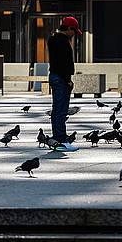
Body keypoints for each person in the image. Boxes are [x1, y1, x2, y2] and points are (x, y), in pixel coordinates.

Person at [48, 16, 81, 151]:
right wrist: (68, 80)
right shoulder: (62, 42)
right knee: (61, 110)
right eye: (73, 31)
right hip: (61, 78)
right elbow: (63, 63)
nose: (74, 34)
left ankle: (59, 138)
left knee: (57, 109)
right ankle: (60, 140)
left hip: (55, 76)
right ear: (68, 28)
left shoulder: (53, 39)